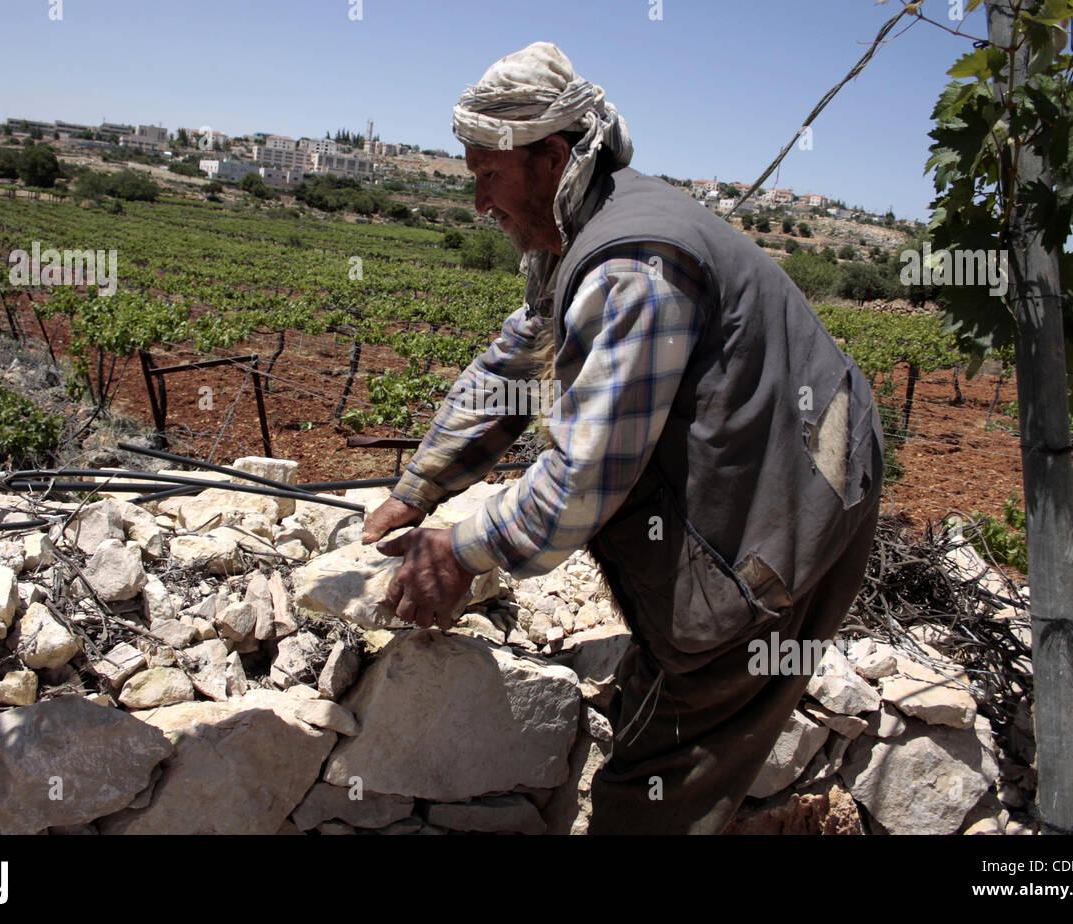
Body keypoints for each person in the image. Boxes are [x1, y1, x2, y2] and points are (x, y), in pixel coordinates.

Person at [361, 41, 884, 834]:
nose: (479, 203)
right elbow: (513, 365)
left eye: (486, 175)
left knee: (660, 781)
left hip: (785, 524)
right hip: (788, 485)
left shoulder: (632, 267)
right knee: (669, 711)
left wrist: (459, 549)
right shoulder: (587, 227)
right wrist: (418, 488)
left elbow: (580, 481)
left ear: (551, 157)